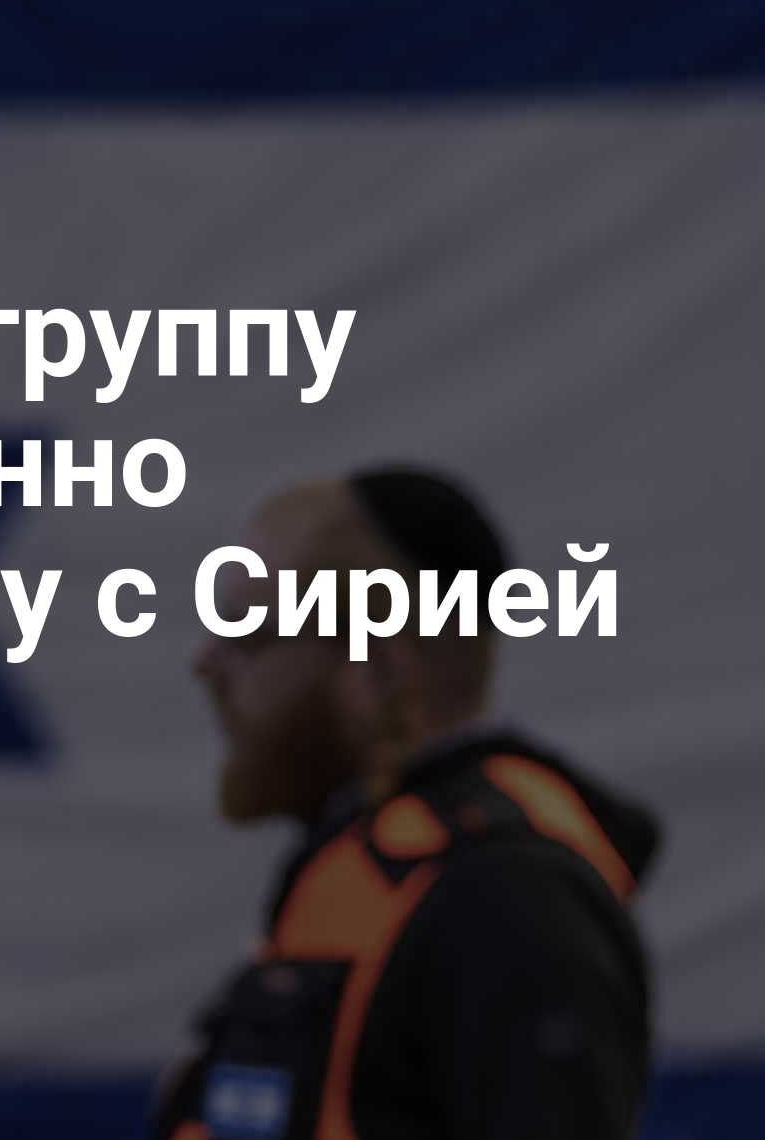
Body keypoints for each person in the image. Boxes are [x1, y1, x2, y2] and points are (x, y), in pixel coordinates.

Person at [153, 467, 657, 1140]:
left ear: (377, 670)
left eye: (246, 635)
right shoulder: (375, 866)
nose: (205, 665)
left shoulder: (505, 894)